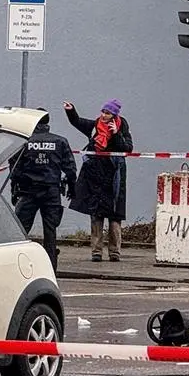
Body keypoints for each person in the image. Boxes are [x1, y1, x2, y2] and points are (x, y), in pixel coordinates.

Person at [64, 99, 133, 262]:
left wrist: (116, 133)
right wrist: (71, 110)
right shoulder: (95, 126)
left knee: (115, 215)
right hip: (96, 175)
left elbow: (127, 148)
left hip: (115, 177)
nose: (104, 115)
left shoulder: (122, 127)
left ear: (114, 115)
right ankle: (96, 251)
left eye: (107, 113)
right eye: (103, 111)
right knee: (96, 213)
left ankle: (115, 251)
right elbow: (77, 121)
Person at [10, 109, 77, 271]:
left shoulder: (24, 141)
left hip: (28, 192)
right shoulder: (60, 141)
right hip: (51, 192)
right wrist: (72, 188)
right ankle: (51, 269)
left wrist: (14, 190)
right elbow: (70, 169)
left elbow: (15, 169)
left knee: (20, 231)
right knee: (50, 231)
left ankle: (18, 266)